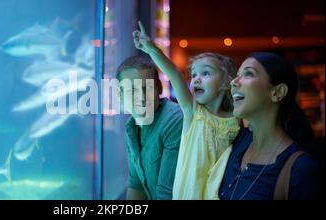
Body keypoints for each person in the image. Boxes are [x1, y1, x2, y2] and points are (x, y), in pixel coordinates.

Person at [133, 21, 240, 199]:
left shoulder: (236, 119)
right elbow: (174, 73)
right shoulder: (194, 111)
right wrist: (152, 49)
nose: (196, 79)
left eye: (205, 73)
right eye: (194, 74)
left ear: (225, 82)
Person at [218, 52, 323, 200]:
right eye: (237, 74)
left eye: (248, 74)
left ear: (277, 92)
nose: (234, 82)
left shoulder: (302, 170)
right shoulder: (238, 143)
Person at [116, 55, 183, 200]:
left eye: (146, 88)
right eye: (132, 90)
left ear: (159, 88)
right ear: (120, 95)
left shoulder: (174, 120)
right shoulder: (131, 127)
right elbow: (136, 185)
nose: (141, 98)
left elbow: (166, 194)